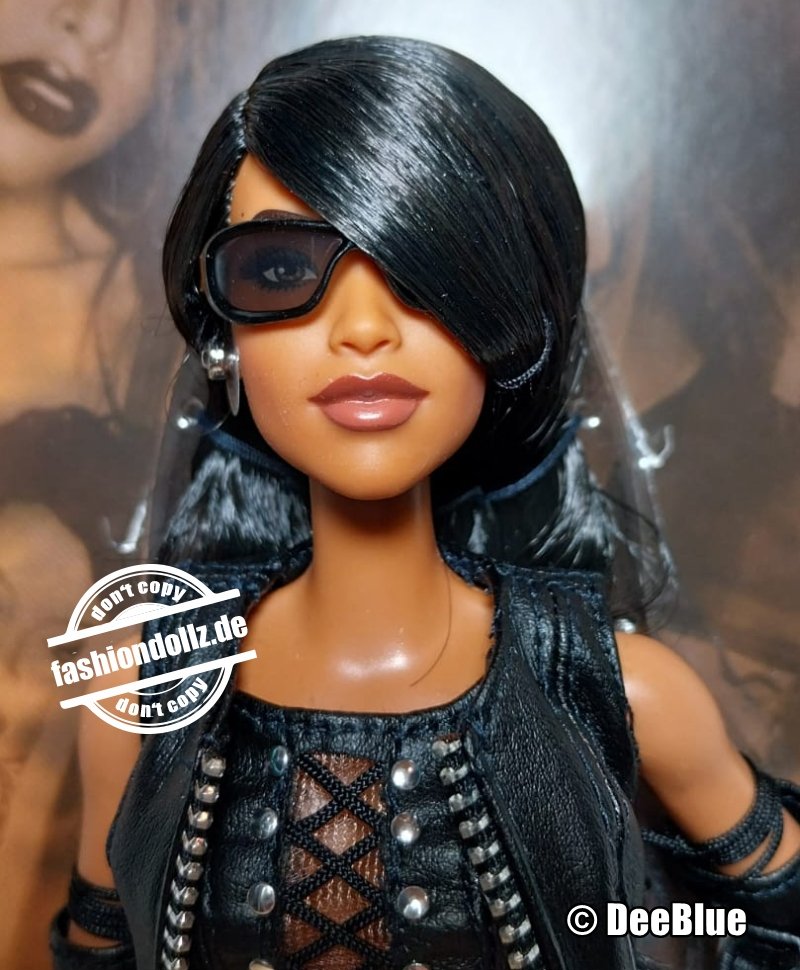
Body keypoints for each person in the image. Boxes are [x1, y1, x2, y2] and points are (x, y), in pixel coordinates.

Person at [53, 37, 800, 970]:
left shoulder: (618, 688)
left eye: (424, 269)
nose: (365, 330)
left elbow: (772, 915)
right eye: (281, 271)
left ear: (505, 323)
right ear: (222, 337)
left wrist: (618, 928)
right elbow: (99, 947)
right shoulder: (145, 687)